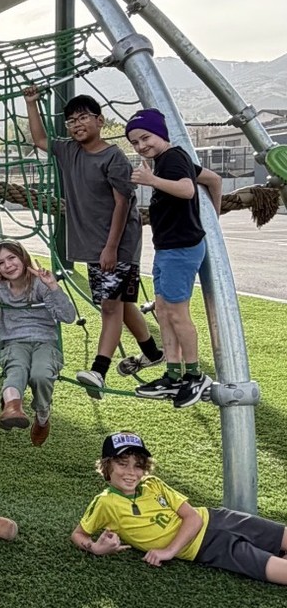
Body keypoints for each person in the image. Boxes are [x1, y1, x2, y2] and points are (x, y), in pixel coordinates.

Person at [24, 89, 162, 398]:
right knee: (121, 302)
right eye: (71, 120)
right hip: (94, 245)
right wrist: (31, 104)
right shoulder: (70, 151)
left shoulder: (113, 157)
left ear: (99, 121)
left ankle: (98, 371)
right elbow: (40, 140)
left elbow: (123, 204)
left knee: (110, 306)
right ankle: (152, 353)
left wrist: (111, 248)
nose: (76, 124)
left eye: (83, 117)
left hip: (117, 244)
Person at [71, 431, 287, 585]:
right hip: (207, 548)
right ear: (107, 465)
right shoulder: (105, 502)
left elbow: (193, 518)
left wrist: (169, 551)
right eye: (122, 463)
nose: (131, 472)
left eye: (138, 465)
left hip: (218, 518)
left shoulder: (153, 483)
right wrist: (97, 548)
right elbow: (79, 534)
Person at [125, 109, 223, 408]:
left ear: (161, 134)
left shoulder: (172, 157)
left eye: (146, 137)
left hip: (179, 250)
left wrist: (151, 180)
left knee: (177, 314)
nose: (141, 146)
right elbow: (214, 179)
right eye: (135, 142)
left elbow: (186, 188)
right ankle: (172, 374)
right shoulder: (170, 160)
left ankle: (194, 375)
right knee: (165, 311)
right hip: (168, 248)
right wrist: (213, 225)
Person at [0, 241, 76, 445]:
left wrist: (53, 287)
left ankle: (42, 414)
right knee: (17, 370)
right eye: (1, 262)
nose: (8, 265)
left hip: (45, 342)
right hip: (14, 343)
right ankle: (12, 408)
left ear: (23, 258)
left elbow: (67, 316)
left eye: (12, 258)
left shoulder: (40, 284)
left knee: (40, 374)